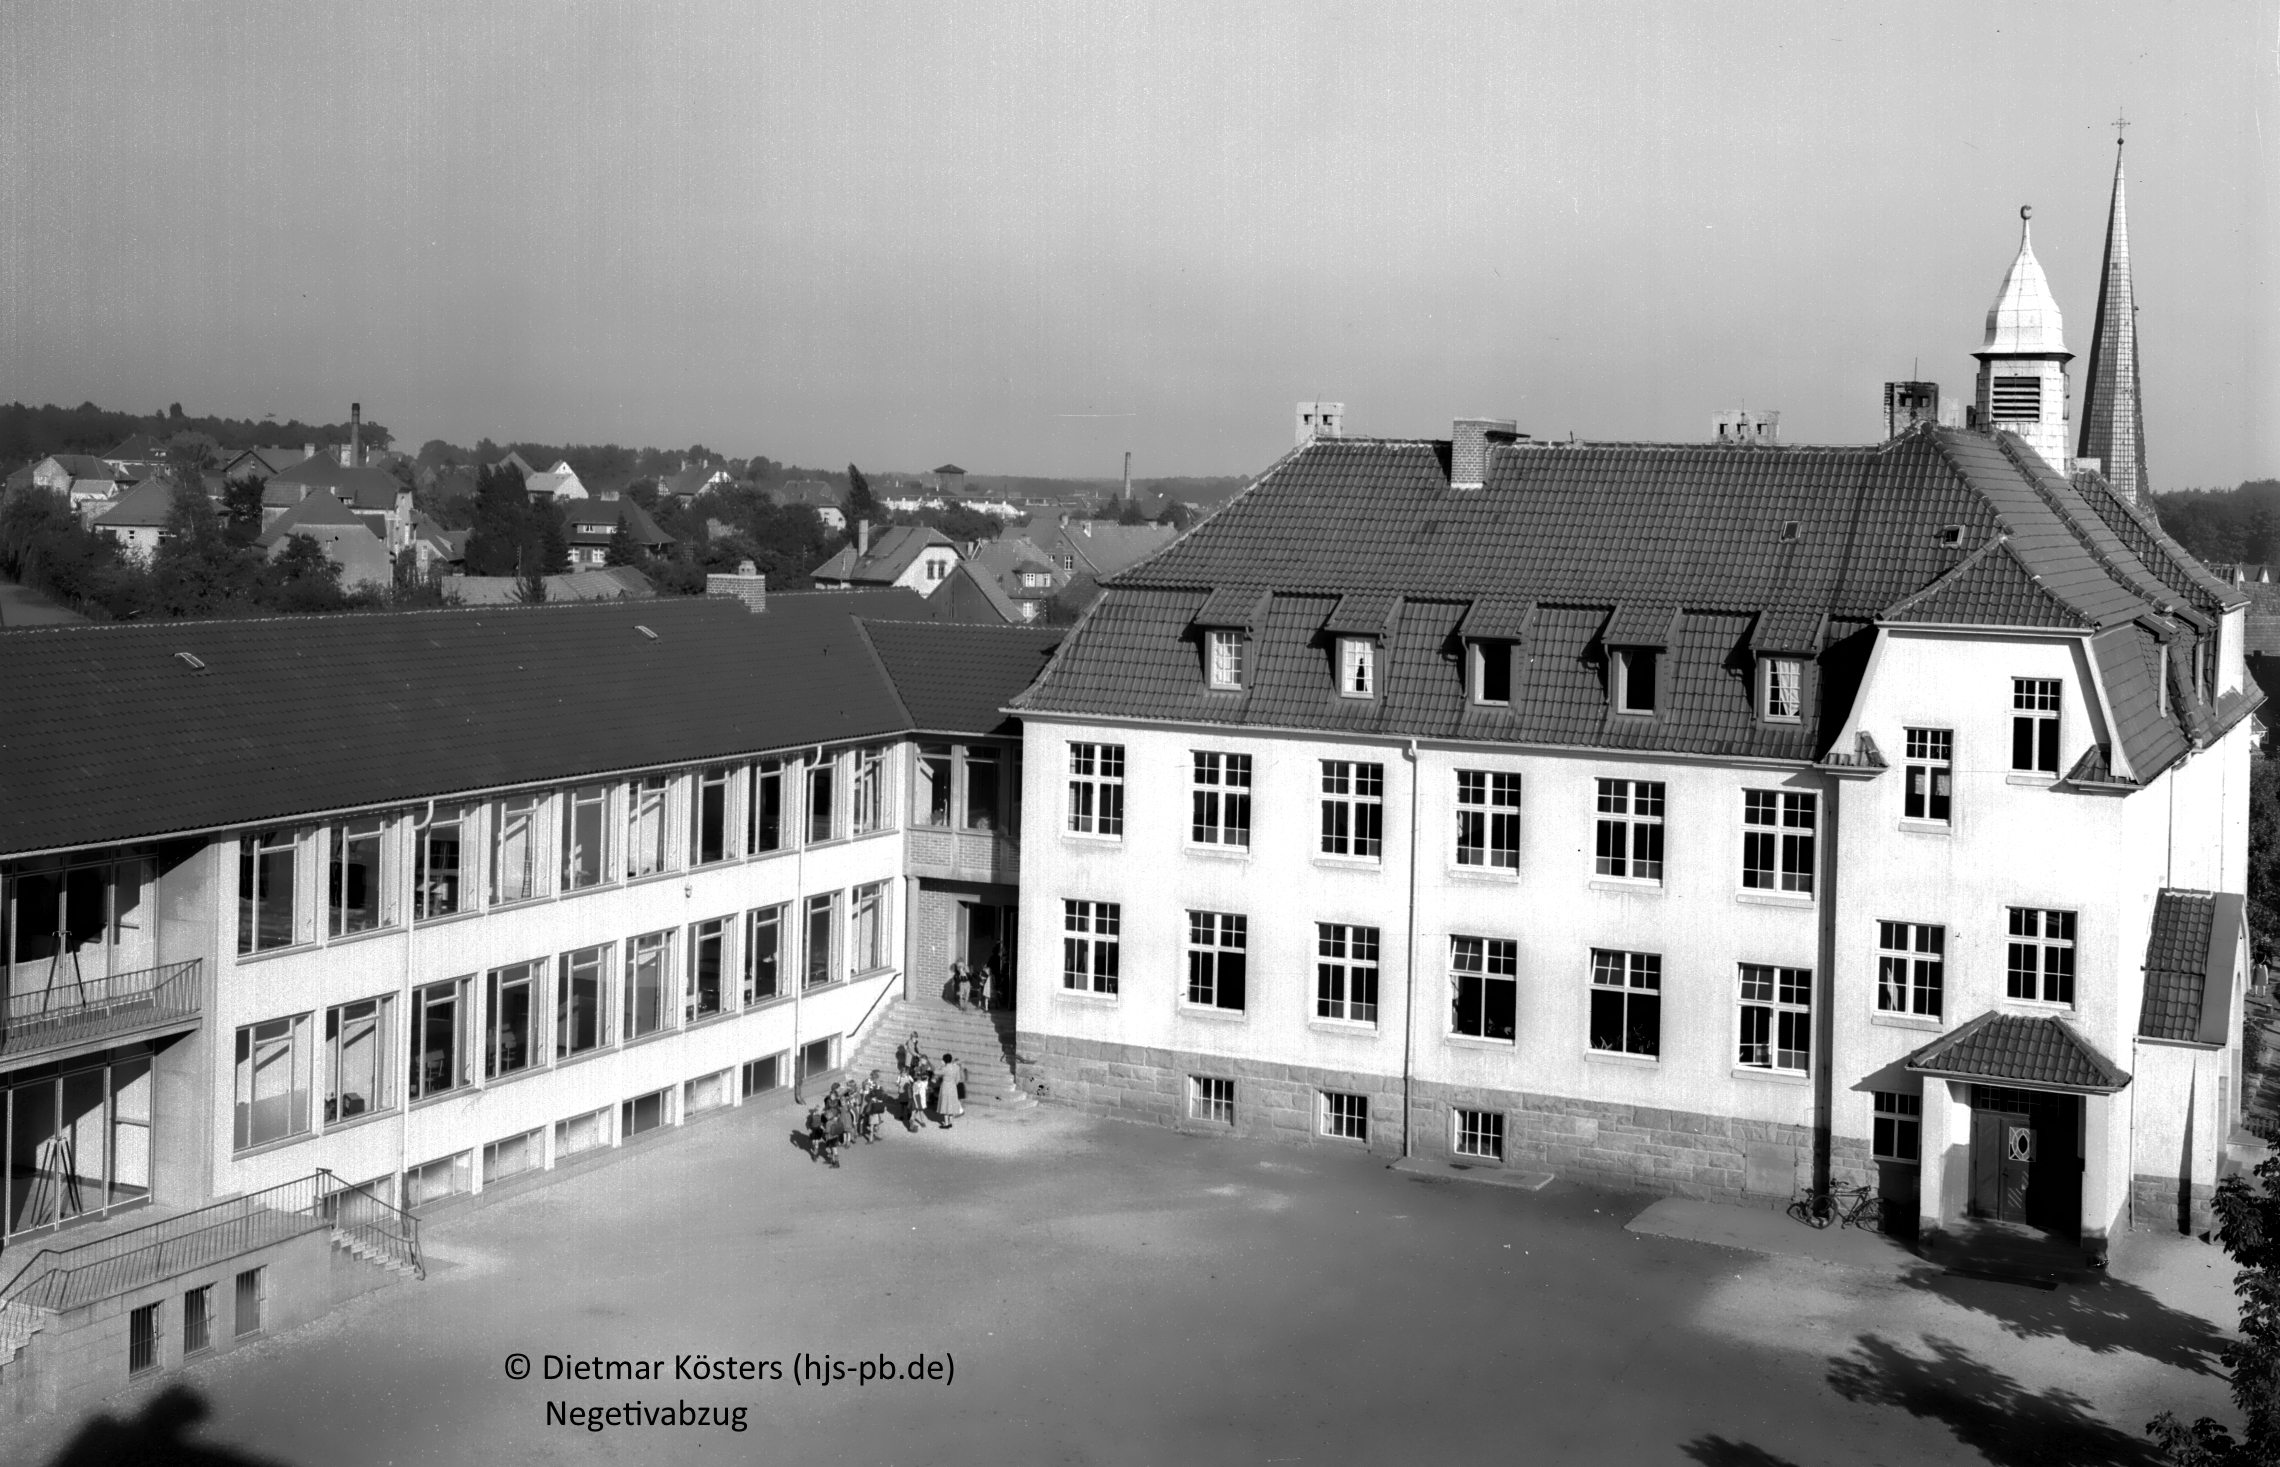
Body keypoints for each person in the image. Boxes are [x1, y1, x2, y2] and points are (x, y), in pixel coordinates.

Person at [936, 1052, 965, 1129]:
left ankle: (946, 1123)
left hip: (945, 1087)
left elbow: (935, 1072)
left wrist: (941, 1065)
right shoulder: (956, 1068)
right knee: (951, 1104)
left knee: (945, 1104)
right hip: (953, 1087)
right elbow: (958, 1079)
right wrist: (953, 1084)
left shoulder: (944, 1068)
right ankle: (951, 1122)